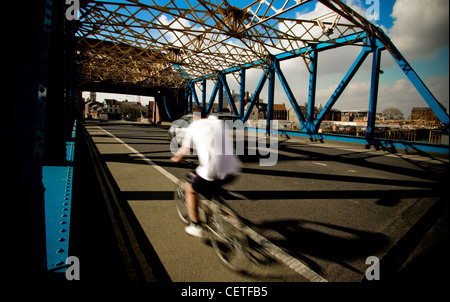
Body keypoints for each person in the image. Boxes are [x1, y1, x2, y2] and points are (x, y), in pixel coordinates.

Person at [170, 107, 242, 237]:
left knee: (190, 189)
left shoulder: (194, 125)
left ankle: (195, 225)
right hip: (234, 169)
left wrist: (177, 158)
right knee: (211, 185)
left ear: (194, 116)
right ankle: (222, 211)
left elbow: (185, 149)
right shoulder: (220, 123)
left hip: (212, 171)